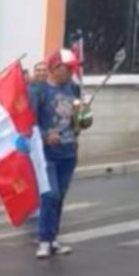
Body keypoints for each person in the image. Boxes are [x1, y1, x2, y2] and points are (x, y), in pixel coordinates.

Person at [33, 49, 89, 259]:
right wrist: (46, 136)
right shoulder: (39, 91)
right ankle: (44, 240)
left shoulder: (74, 88)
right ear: (55, 68)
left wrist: (85, 114)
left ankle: (53, 238)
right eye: (69, 68)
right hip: (46, 153)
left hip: (68, 151)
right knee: (50, 195)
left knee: (60, 198)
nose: (72, 72)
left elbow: (82, 121)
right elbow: (29, 122)